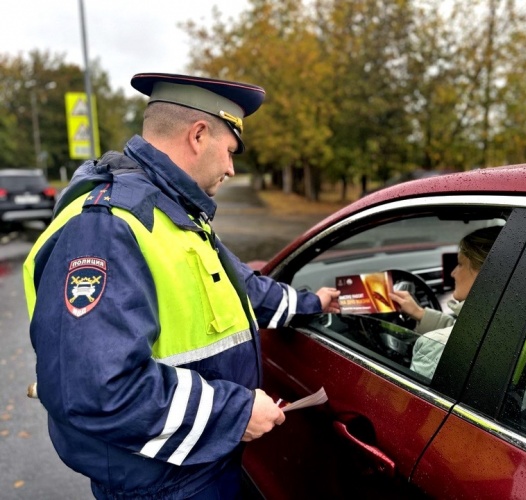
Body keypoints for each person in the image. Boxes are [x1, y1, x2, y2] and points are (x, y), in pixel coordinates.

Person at [23, 73, 340, 499]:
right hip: (160, 483)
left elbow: (236, 286)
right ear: (198, 135)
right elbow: (100, 388)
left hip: (193, 467)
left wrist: (312, 303)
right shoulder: (107, 225)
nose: (230, 168)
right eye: (230, 152)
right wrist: (236, 412)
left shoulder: (171, 212)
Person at [389, 225, 502, 379]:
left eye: (460, 264)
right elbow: (462, 331)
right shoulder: (507, 320)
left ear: (483, 274)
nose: (453, 273)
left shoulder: (436, 347)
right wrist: (420, 313)